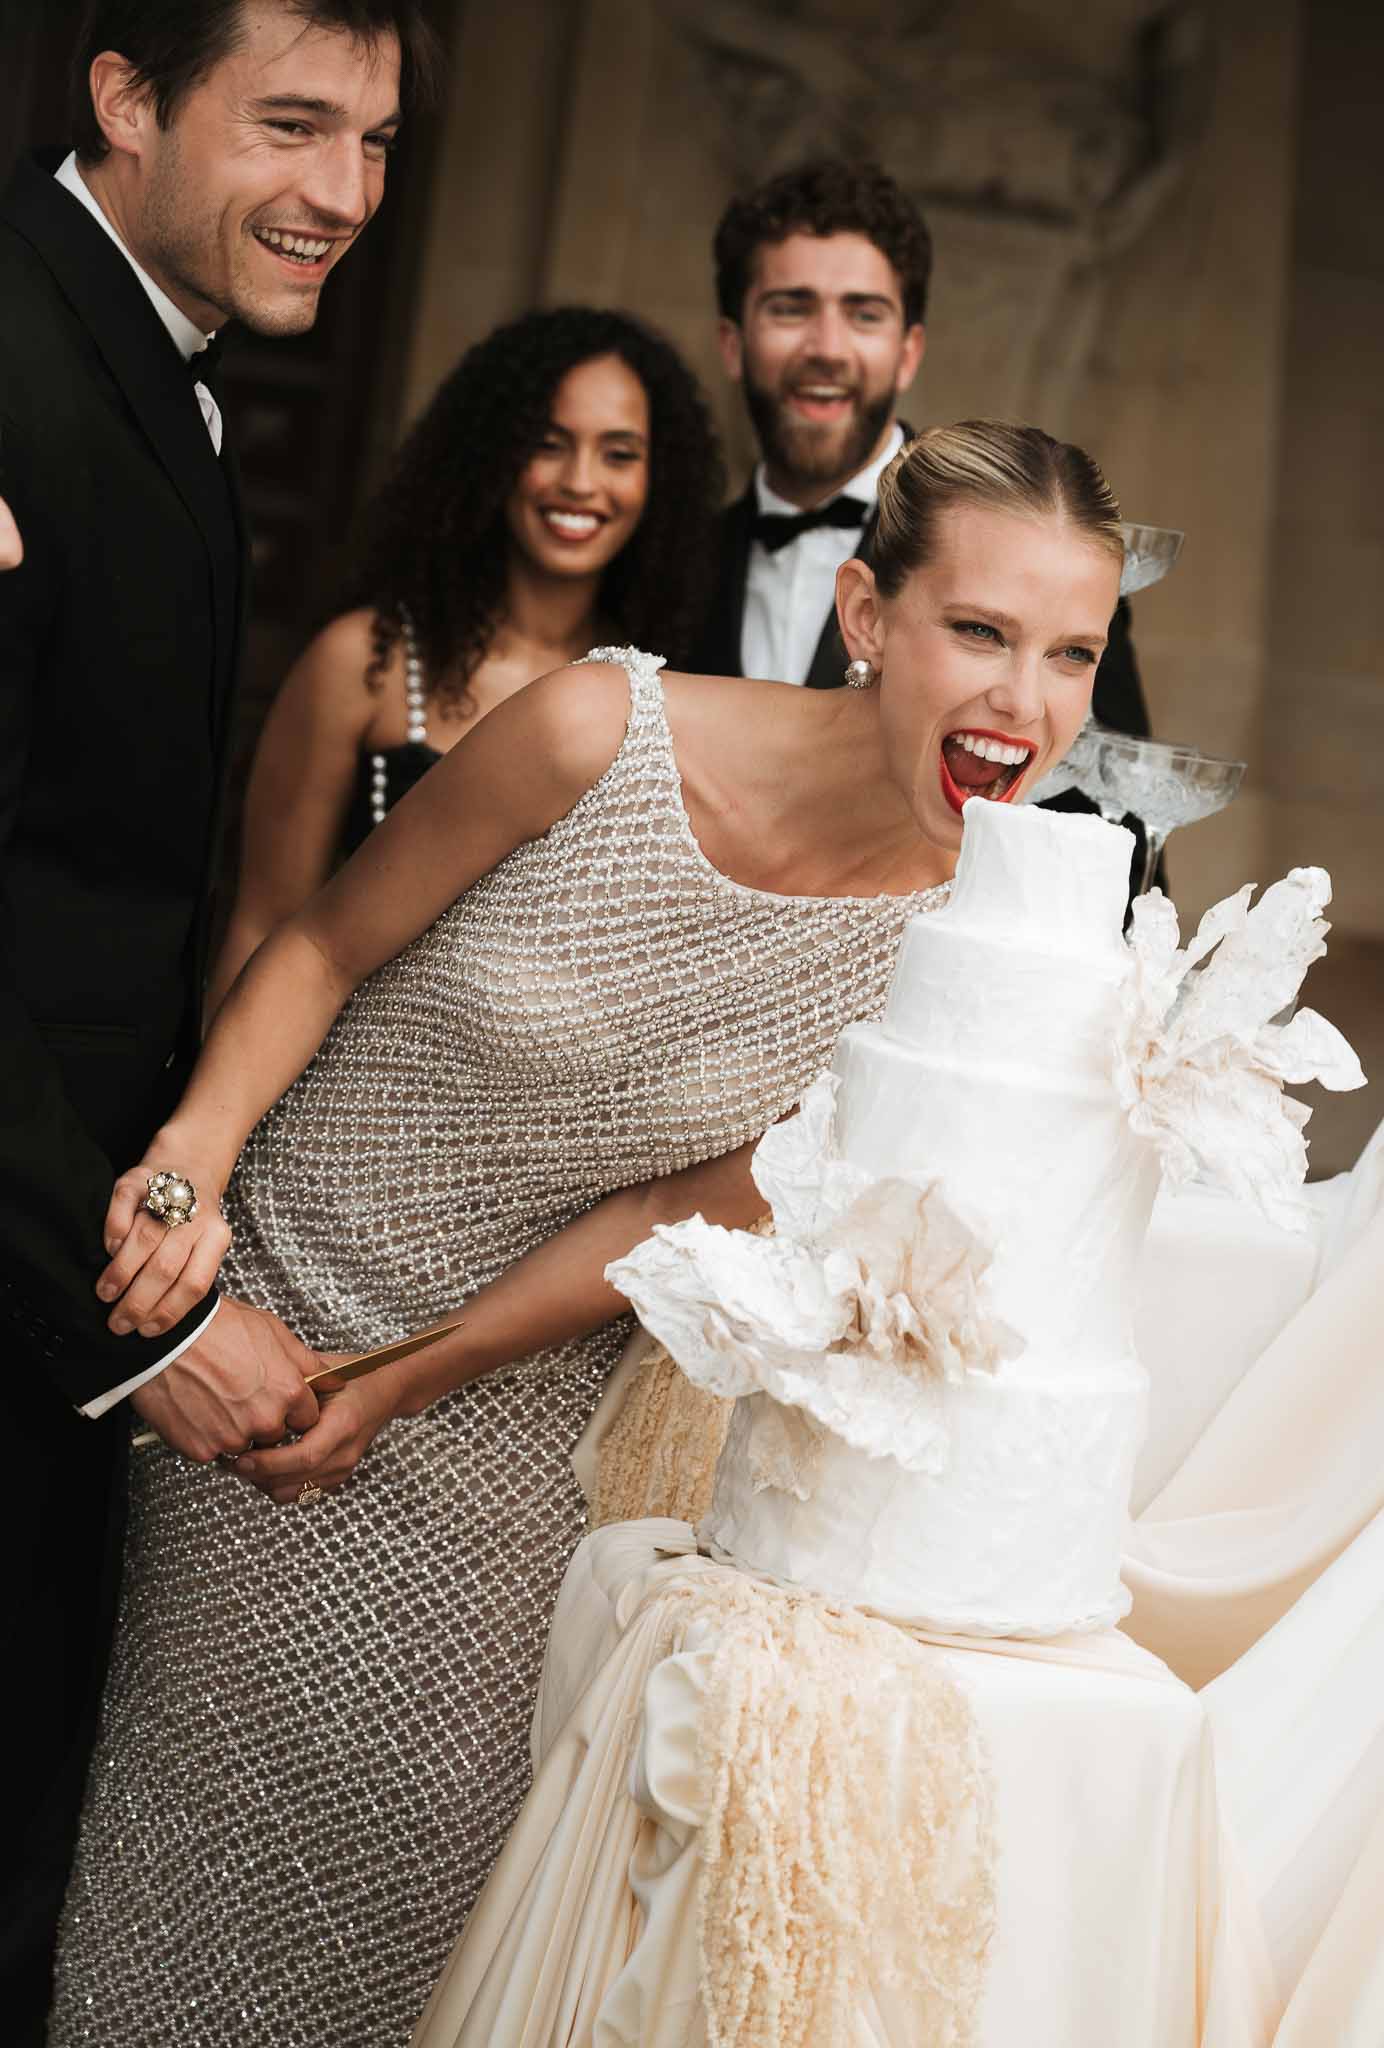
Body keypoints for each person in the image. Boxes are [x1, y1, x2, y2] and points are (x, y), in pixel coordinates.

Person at [48, 420, 1113, 2045]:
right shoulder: (592, 728)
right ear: (863, 615)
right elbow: (323, 943)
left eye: (1067, 654)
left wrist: (414, 1374)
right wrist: (189, 1169)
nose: (1020, 702)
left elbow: (668, 1212)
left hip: (508, 1414)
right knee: (170, 1838)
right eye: (977, 629)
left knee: (411, 1899)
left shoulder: (950, 965)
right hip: (266, 1302)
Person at [0, 1, 434, 2035]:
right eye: (289, 125)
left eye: (370, 140)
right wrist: (145, 1316)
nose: (343, 195)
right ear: (122, 93)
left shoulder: (151, 369)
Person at [208, 306, 723, 1012]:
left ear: (659, 481)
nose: (580, 480)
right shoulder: (367, 662)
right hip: (338, 1095)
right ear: (492, 454)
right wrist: (217, 1120)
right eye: (548, 442)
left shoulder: (667, 699)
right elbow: (262, 924)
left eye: (620, 453)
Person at [693, 156, 1152, 750]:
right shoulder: (678, 561)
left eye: (864, 314)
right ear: (733, 346)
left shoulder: (1031, 541)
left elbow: (1117, 818)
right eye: (791, 308)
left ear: (909, 352)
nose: (828, 348)